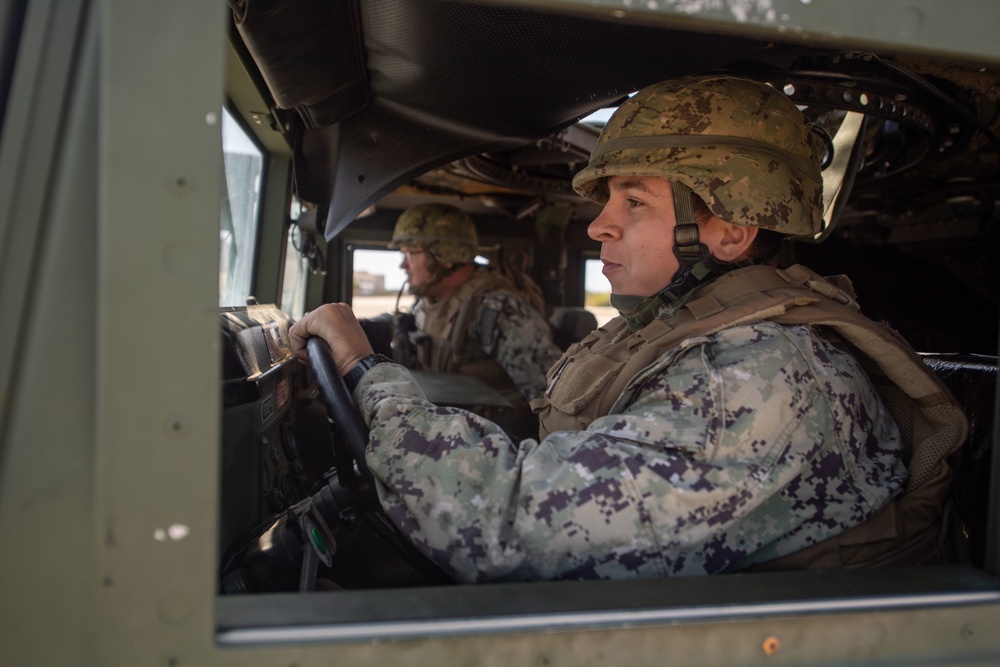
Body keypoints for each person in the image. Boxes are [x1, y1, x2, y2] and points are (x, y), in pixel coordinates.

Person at [289, 76, 967, 583]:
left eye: (634, 201)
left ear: (730, 230)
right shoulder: (693, 331)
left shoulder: (755, 381)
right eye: (607, 200)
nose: (598, 225)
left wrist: (363, 370)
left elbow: (491, 521)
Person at [387, 202, 563, 440]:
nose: (403, 264)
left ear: (445, 256)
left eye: (411, 253)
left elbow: (551, 397)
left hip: (491, 446)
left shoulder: (497, 309)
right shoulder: (428, 302)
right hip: (444, 435)